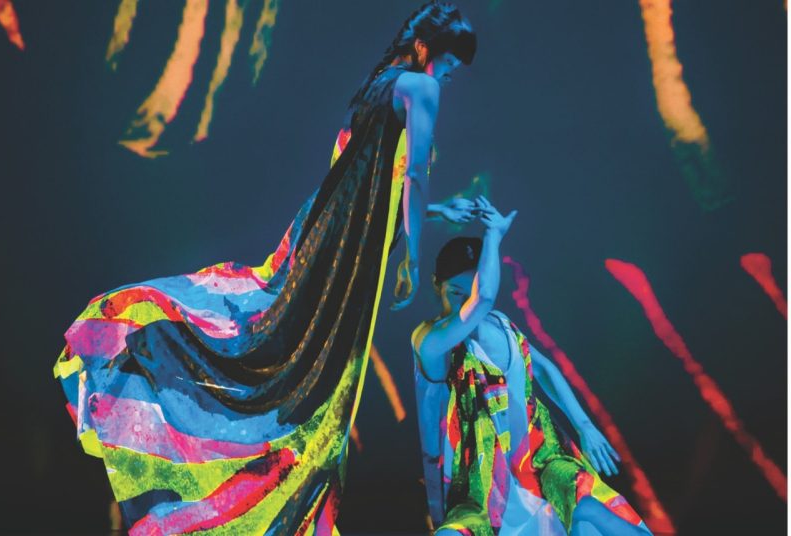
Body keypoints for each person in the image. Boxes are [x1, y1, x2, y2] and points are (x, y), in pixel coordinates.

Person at [53, 2, 476, 533]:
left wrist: (435, 213)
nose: (450, 77)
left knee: (275, 339)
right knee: (307, 374)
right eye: (450, 64)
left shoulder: (381, 83)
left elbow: (366, 181)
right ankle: (269, 504)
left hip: (323, 235)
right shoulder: (422, 87)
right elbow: (410, 176)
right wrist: (412, 253)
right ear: (426, 49)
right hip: (347, 255)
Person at [412, 196, 653, 535]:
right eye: (455, 292)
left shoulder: (501, 324)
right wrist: (494, 235)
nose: (466, 302)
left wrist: (585, 426)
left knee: (588, 507)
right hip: (482, 488)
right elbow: (482, 301)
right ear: (437, 284)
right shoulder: (431, 341)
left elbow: (542, 369)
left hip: (541, 464)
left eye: (472, 289)